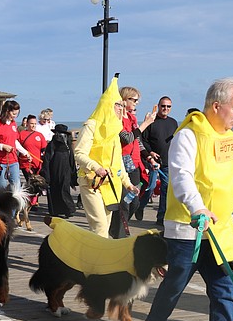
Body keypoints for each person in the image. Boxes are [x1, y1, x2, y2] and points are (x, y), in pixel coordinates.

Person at [141, 77, 233, 321]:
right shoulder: (187, 135)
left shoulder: (231, 140)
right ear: (217, 106)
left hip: (221, 229)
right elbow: (181, 176)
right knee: (176, 283)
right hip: (189, 227)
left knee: (224, 289)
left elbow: (228, 186)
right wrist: (197, 208)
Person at [74, 77, 138, 238]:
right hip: (91, 182)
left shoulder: (115, 129)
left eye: (123, 106)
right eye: (119, 105)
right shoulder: (91, 125)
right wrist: (96, 167)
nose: (122, 109)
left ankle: (96, 257)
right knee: (100, 226)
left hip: (111, 184)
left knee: (105, 226)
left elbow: (117, 162)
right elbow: (79, 153)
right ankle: (97, 261)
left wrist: (128, 184)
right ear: (109, 106)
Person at [111, 86, 157, 237]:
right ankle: (119, 234)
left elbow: (137, 141)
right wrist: (146, 124)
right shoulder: (117, 119)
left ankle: (118, 227)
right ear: (124, 99)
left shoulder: (132, 118)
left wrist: (148, 156)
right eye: (134, 100)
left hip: (135, 163)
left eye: (138, 100)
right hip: (122, 163)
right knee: (124, 201)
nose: (137, 103)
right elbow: (127, 138)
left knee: (134, 202)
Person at [140, 96, 178, 225]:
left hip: (167, 162)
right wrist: (150, 153)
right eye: (163, 106)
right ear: (158, 106)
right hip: (152, 161)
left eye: (168, 106)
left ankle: (161, 217)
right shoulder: (151, 121)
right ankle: (140, 206)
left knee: (165, 190)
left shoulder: (173, 123)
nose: (165, 108)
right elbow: (142, 140)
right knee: (150, 187)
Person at [0, 100, 29, 193]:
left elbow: (15, 141)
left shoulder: (13, 124)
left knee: (17, 188)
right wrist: (2, 146)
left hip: (13, 161)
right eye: (13, 113)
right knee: (3, 189)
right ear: (7, 111)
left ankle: (16, 207)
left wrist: (25, 152)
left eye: (17, 113)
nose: (15, 116)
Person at [43, 123, 77, 218]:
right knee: (54, 190)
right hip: (54, 170)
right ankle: (56, 210)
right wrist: (46, 174)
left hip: (65, 170)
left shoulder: (67, 146)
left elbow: (72, 160)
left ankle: (69, 209)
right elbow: (47, 159)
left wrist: (73, 174)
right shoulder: (52, 145)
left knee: (63, 189)